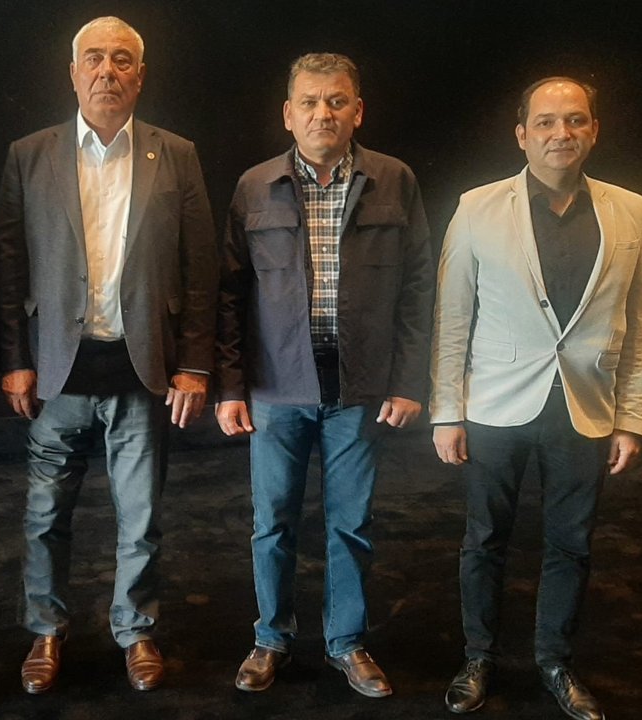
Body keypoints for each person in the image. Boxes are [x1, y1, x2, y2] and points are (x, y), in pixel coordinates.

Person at [0, 15, 217, 694]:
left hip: (143, 367)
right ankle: (46, 631)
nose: (107, 71)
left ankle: (136, 630)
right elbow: (9, 263)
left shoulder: (175, 154)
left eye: (122, 60)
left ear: (140, 77)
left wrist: (194, 365)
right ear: (73, 73)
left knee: (141, 519)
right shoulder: (29, 154)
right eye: (93, 58)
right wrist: (16, 358)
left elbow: (200, 266)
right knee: (44, 518)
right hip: (57, 370)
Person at [429, 77, 642, 720]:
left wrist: (632, 417)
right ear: (522, 134)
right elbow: (452, 317)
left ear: (594, 130)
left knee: (572, 544)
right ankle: (479, 658)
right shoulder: (477, 207)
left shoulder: (632, 211)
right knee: (484, 539)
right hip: (494, 403)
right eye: (547, 122)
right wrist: (447, 411)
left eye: (576, 120)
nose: (562, 133)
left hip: (587, 405)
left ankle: (556, 662)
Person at [215, 53, 434, 698]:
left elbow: (418, 287)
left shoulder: (395, 180)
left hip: (359, 387)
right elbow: (229, 295)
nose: (322, 114)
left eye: (336, 101)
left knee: (351, 524)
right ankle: (270, 639)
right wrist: (230, 387)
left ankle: (347, 642)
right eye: (309, 102)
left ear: (357, 111)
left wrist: (409, 380)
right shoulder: (255, 185)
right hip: (276, 388)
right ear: (288, 114)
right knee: (272, 523)